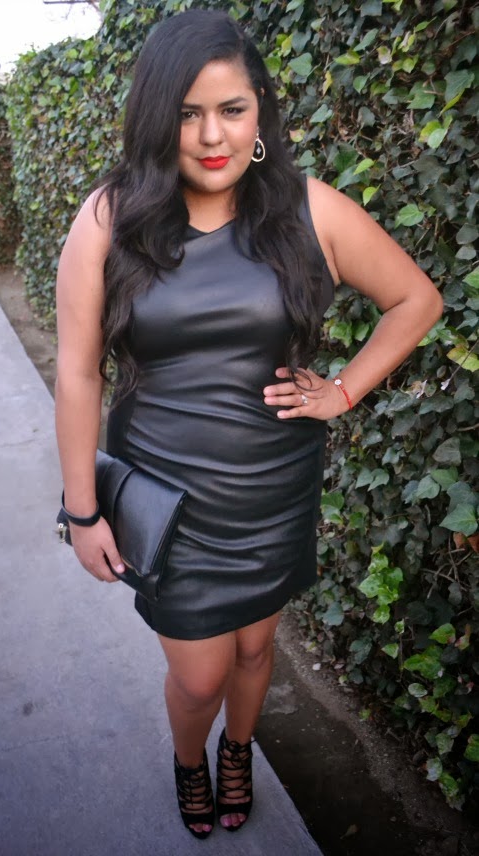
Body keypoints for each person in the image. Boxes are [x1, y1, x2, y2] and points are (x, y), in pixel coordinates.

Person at [55, 8, 443, 840]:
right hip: (167, 499)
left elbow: (416, 299)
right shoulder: (109, 220)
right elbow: (79, 373)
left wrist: (344, 391)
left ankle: (239, 752)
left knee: (256, 651)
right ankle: (190, 758)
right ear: (156, 118)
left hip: (272, 490)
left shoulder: (309, 210)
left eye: (231, 109)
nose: (211, 136)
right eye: (187, 113)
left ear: (260, 107)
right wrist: (82, 511)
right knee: (199, 675)